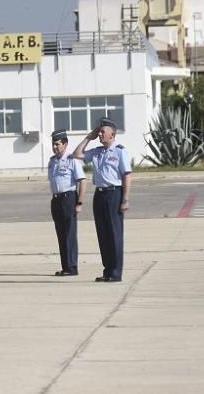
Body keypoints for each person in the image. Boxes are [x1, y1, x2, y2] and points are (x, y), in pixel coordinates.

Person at [72, 117, 132, 283]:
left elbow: (127, 175)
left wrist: (125, 199)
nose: (99, 134)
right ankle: (107, 270)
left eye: (102, 132)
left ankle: (116, 272)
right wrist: (88, 138)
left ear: (112, 135)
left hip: (114, 194)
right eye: (99, 131)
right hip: (99, 195)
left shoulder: (120, 151)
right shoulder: (97, 151)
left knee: (114, 234)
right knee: (103, 234)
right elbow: (77, 155)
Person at [47, 129, 86, 276]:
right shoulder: (52, 161)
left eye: (57, 144)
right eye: (53, 144)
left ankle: (72, 266)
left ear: (65, 144)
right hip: (56, 200)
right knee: (61, 234)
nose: (55, 147)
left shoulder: (72, 159)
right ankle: (65, 266)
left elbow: (82, 181)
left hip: (69, 198)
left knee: (69, 233)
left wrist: (79, 202)